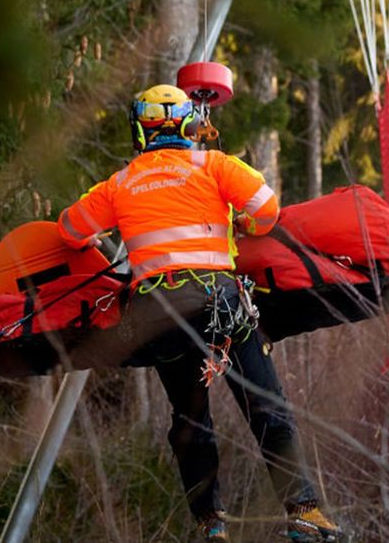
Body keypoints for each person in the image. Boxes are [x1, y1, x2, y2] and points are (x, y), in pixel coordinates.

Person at [57, 84, 340, 542]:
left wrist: (93, 237)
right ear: (189, 125)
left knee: (190, 420)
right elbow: (267, 212)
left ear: (140, 130)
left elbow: (69, 229)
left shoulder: (120, 183)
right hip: (220, 306)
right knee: (265, 403)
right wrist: (240, 223)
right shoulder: (215, 165)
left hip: (157, 317)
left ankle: (211, 523)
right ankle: (303, 510)